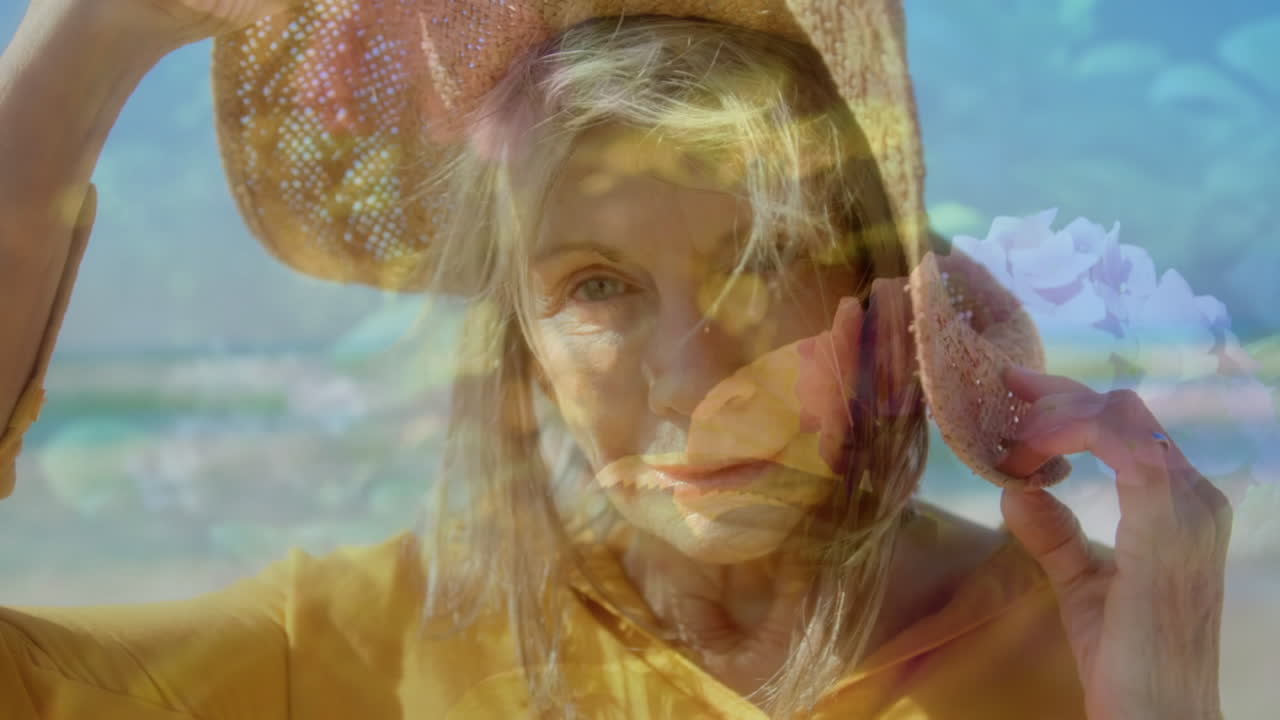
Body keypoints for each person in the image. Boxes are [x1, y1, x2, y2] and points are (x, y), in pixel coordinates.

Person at [0, 1, 1232, 718]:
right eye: (595, 287)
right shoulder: (354, 647)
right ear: (523, 346)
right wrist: (96, 34)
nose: (692, 381)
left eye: (759, 258)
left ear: (875, 293)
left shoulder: (1066, 647)